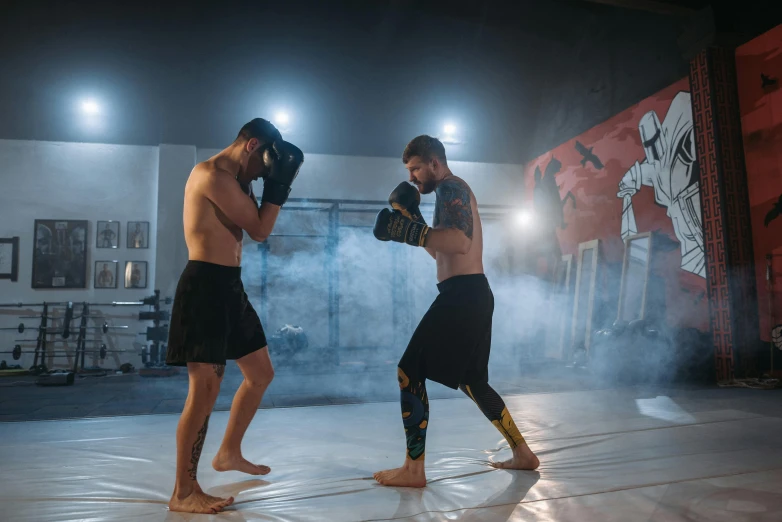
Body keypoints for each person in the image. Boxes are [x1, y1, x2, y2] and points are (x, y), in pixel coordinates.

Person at [372, 135, 539, 488]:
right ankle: (523, 453)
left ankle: (413, 470)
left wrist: (406, 230)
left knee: (409, 369)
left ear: (434, 163)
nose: (413, 177)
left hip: (463, 295)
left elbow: (460, 244)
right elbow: (442, 253)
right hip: (470, 293)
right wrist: (414, 221)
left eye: (416, 168)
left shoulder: (451, 188)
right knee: (473, 381)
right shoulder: (446, 195)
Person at [165, 118, 304, 514]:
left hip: (229, 286)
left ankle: (228, 452)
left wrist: (272, 181)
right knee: (205, 390)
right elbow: (260, 229)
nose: (262, 177)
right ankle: (183, 492)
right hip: (205, 287)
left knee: (260, 374)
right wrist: (280, 187)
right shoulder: (212, 176)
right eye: (264, 166)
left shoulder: (237, 181)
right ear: (252, 145)